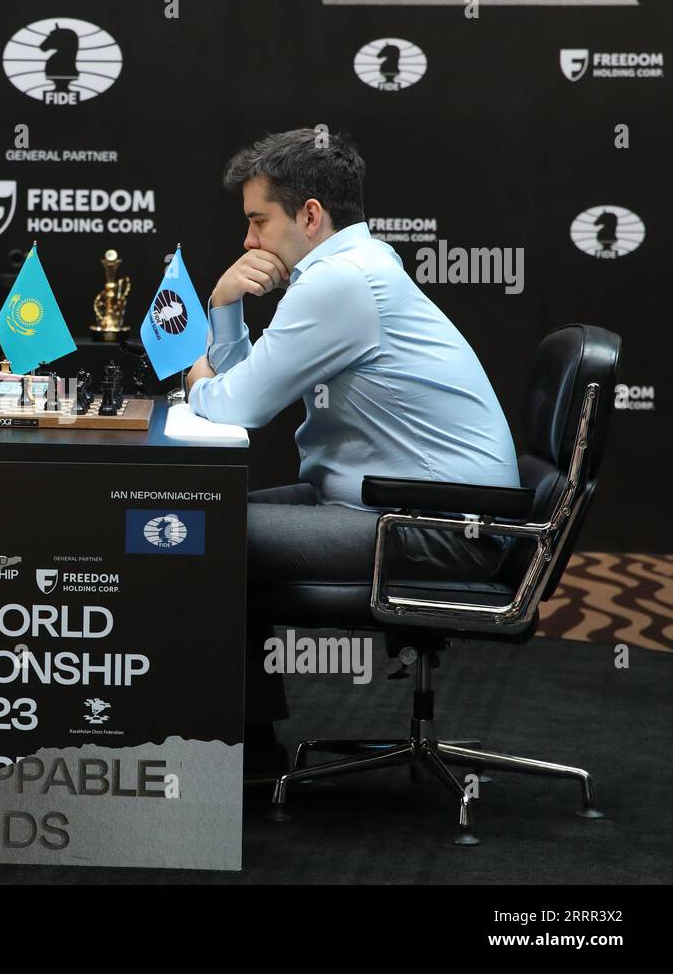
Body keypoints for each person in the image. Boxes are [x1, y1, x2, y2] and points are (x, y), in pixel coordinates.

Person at [185, 128, 520, 773]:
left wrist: (197, 382)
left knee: (202, 533)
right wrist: (225, 304)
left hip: (440, 524)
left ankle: (247, 759)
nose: (249, 241)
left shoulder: (341, 282)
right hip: (404, 507)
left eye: (259, 221)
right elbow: (244, 387)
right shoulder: (353, 270)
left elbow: (238, 405)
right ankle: (250, 747)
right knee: (205, 515)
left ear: (310, 215)